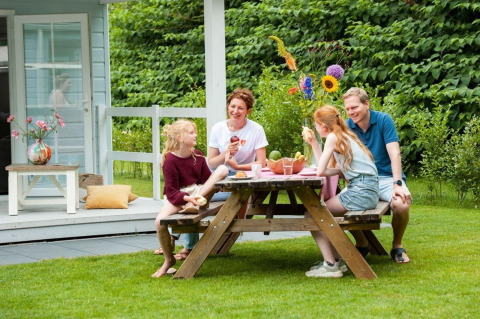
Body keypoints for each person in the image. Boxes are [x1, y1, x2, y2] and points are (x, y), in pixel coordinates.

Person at [166, 88, 269, 261]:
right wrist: (225, 155)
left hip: (242, 178)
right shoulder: (218, 128)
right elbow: (211, 162)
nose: (235, 111)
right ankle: (183, 243)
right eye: (232, 106)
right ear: (228, 106)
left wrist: (238, 166)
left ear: (248, 111)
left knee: (197, 197)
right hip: (215, 175)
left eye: (240, 108)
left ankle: (176, 239)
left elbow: (261, 163)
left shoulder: (256, 130)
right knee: (197, 196)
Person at [302, 105, 379, 278]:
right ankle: (336, 262)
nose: (315, 127)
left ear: (324, 126)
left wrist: (337, 171)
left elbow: (321, 171)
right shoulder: (344, 135)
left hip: (360, 191)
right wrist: (314, 142)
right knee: (318, 213)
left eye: (316, 124)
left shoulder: (332, 137)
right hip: (368, 189)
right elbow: (328, 166)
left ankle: (331, 265)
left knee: (312, 215)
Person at [151, 119, 228, 278]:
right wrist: (187, 198)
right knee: (159, 222)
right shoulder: (170, 161)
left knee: (222, 169)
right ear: (180, 138)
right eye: (191, 133)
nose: (195, 135)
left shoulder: (198, 154)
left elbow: (207, 179)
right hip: (179, 196)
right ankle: (168, 260)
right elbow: (171, 192)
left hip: (198, 191)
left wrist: (202, 193)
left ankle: (196, 200)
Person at [343, 87, 411, 264]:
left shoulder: (383, 120)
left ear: (366, 104)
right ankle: (362, 242)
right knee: (336, 206)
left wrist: (397, 183)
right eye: (347, 109)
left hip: (387, 178)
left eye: (354, 107)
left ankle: (397, 245)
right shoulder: (346, 126)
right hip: (362, 181)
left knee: (402, 205)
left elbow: (394, 153)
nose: (351, 112)